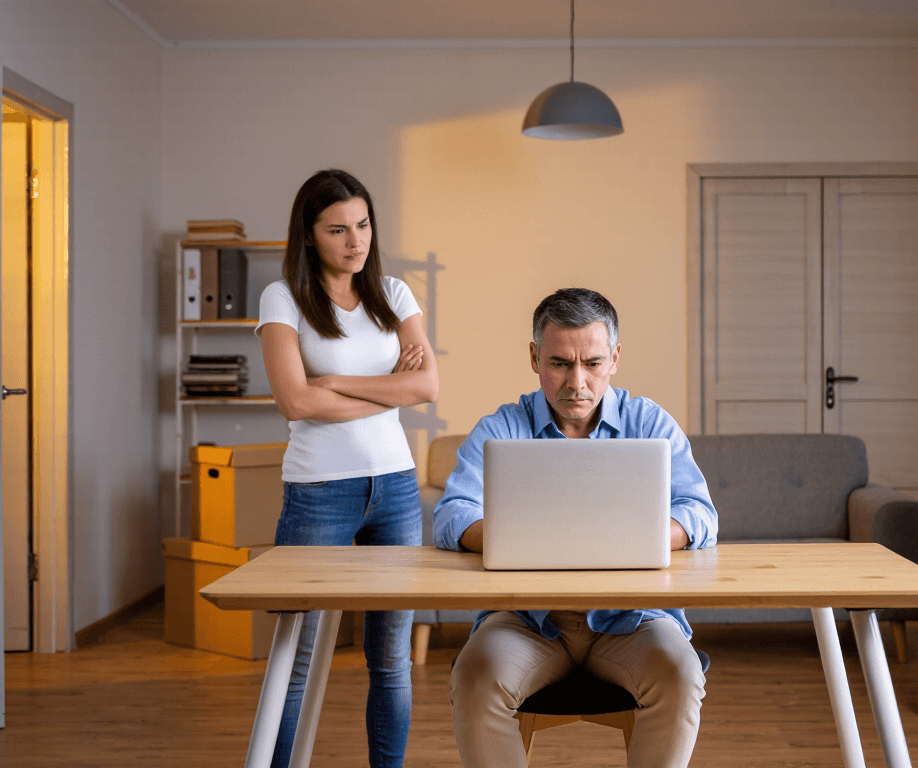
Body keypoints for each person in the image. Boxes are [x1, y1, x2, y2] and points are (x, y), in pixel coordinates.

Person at [433, 287, 717, 768]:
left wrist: (640, 539)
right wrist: (522, 542)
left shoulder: (650, 423)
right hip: (526, 620)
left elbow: (700, 512)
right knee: (475, 676)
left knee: (681, 674)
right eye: (560, 363)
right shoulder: (501, 428)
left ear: (616, 359)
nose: (577, 382)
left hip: (633, 619)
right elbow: (451, 514)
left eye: (593, 363)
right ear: (534, 357)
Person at [257, 168, 438, 768]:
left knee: (390, 659)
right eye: (337, 230)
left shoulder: (395, 293)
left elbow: (428, 387)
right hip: (317, 493)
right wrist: (390, 387)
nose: (355, 240)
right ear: (309, 236)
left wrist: (335, 380)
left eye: (362, 225)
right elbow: (296, 401)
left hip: (394, 487)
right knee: (296, 657)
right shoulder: (282, 297)